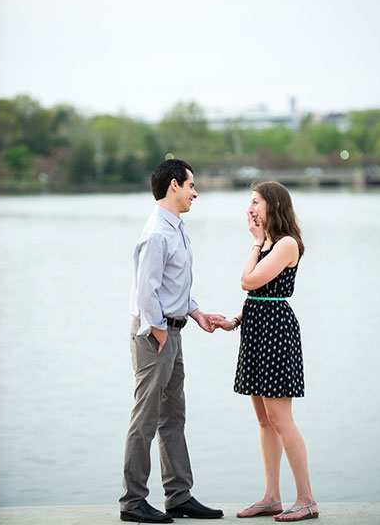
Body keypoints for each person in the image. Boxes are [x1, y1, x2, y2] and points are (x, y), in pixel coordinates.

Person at [120, 159, 225, 523]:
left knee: (173, 417)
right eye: (191, 185)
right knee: (146, 418)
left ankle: (178, 496)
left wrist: (195, 313)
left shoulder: (176, 228)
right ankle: (132, 502)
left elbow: (172, 285)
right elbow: (146, 289)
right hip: (155, 336)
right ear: (174, 186)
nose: (195, 192)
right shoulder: (157, 233)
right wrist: (161, 330)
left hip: (172, 331)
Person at [212, 182, 319, 522]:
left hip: (276, 331)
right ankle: (272, 496)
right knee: (263, 420)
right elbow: (255, 293)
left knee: (280, 418)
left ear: (273, 204)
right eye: (250, 201)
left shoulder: (286, 243)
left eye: (256, 201)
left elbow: (249, 281)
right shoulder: (269, 243)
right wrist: (235, 320)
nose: (251, 207)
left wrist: (256, 243)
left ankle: (306, 499)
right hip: (257, 327)